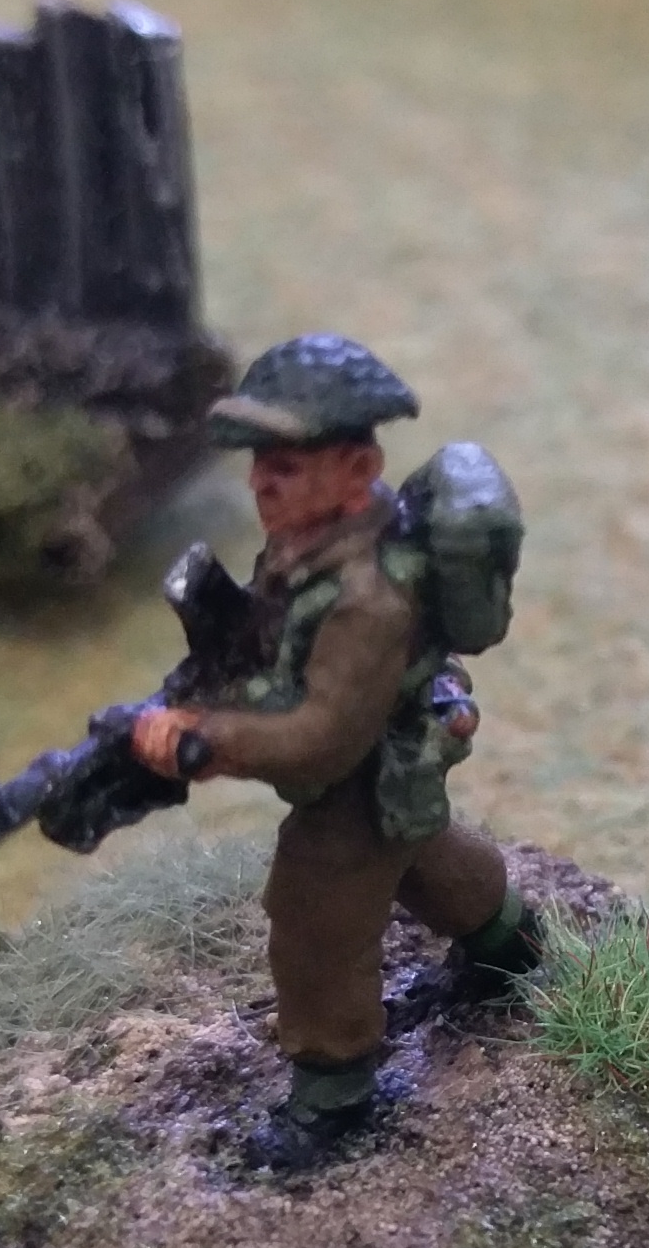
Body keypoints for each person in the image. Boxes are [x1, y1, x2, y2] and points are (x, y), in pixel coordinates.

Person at [121, 336, 540, 1174]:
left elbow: (323, 738)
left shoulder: (364, 598)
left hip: (360, 775)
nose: (259, 483)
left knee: (315, 920)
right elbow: (277, 656)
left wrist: (207, 741)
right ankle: (510, 945)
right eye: (259, 464)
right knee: (420, 853)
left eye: (285, 466)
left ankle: (334, 1095)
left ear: (357, 470)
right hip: (389, 768)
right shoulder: (307, 549)